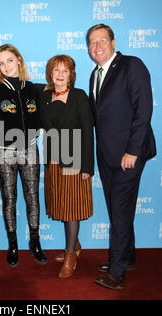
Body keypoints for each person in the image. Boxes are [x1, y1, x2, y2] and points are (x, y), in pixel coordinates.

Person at [86, 24, 156, 289]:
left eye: (102, 40)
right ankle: (127, 257)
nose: (97, 46)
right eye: (92, 43)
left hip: (129, 155)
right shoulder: (95, 74)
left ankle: (116, 273)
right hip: (107, 155)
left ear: (113, 42)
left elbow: (144, 109)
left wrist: (133, 151)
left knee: (121, 211)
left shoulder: (131, 65)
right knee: (119, 210)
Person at [0, 44, 46, 267]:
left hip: (30, 149)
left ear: (19, 60)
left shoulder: (31, 87)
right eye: (1, 63)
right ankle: (13, 245)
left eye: (9, 60)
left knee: (32, 197)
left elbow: (39, 113)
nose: (6, 66)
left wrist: (35, 132)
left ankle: (35, 241)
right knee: (9, 199)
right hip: (4, 152)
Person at [39, 55, 94, 278]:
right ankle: (75, 245)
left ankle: (71, 254)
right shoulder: (43, 95)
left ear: (71, 74)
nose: (60, 75)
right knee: (60, 205)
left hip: (74, 160)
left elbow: (89, 133)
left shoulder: (79, 96)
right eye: (56, 70)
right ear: (50, 74)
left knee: (71, 208)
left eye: (65, 71)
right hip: (52, 159)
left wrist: (87, 167)